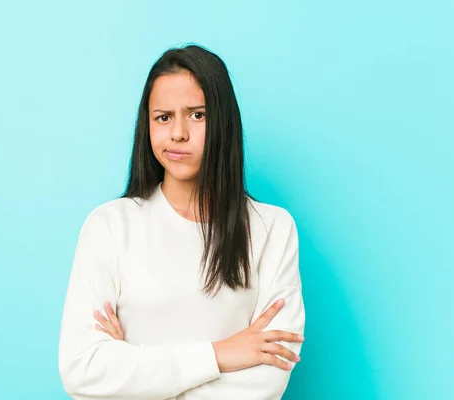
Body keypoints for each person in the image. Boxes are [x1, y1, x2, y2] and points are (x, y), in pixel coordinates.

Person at [58, 43, 306, 400]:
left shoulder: (271, 229)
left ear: (223, 121)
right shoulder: (110, 226)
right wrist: (220, 354)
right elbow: (82, 370)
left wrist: (134, 369)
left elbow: (268, 375)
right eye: (163, 117)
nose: (177, 133)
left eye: (197, 115)